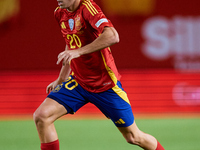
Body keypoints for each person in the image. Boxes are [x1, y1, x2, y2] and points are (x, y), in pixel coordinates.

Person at [33, 0, 165, 150]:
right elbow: (71, 43)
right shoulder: (60, 12)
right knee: (42, 116)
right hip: (79, 82)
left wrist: (79, 51)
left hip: (105, 85)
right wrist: (61, 79)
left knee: (133, 137)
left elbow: (113, 36)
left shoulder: (88, 8)